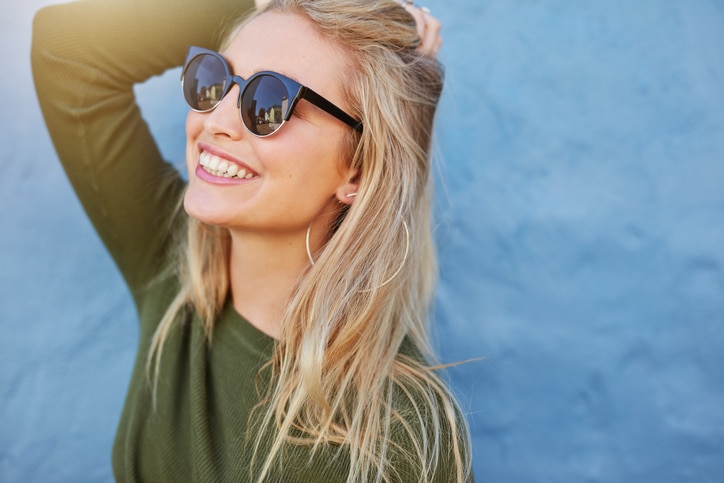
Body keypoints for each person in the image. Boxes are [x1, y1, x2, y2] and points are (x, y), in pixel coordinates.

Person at [32, 0, 472, 481]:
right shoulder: (175, 273)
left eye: (269, 102)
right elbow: (65, 51)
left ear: (359, 170)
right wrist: (263, 5)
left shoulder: (400, 436)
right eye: (215, 78)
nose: (216, 120)